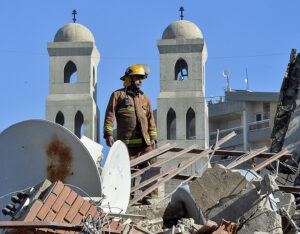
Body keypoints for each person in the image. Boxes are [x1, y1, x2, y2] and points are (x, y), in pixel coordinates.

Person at [103, 64, 157, 162]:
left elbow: (151, 120)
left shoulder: (145, 98)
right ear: (129, 78)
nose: (140, 81)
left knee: (152, 170)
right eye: (138, 78)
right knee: (128, 174)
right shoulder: (118, 95)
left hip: (145, 146)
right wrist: (108, 134)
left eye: (142, 78)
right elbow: (110, 115)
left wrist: (153, 138)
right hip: (126, 146)